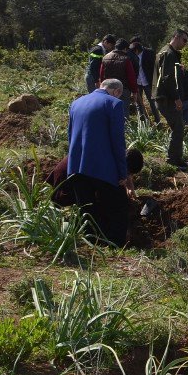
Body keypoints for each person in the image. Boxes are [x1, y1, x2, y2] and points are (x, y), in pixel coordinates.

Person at [66, 79, 133, 246]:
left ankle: (89, 243)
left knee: (86, 208)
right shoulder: (114, 104)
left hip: (77, 166)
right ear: (117, 91)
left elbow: (69, 136)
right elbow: (118, 142)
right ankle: (115, 244)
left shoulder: (76, 103)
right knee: (118, 206)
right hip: (102, 166)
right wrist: (122, 173)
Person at [47, 149, 144, 208]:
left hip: (67, 176)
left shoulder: (116, 153)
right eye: (127, 173)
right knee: (98, 204)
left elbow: (125, 174)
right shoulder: (106, 166)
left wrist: (130, 188)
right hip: (64, 187)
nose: (127, 176)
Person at [153, 29, 188, 170]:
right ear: (177, 37)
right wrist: (176, 98)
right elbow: (167, 79)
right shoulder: (169, 54)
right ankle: (173, 159)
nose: (185, 44)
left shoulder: (165, 52)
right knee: (179, 128)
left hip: (162, 96)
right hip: (166, 98)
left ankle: (175, 158)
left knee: (177, 127)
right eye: (184, 40)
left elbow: (166, 74)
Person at [99, 38, 139, 113]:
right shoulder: (126, 59)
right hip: (122, 90)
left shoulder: (105, 57)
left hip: (108, 90)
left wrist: (102, 88)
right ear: (124, 49)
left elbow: (101, 75)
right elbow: (131, 77)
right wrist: (134, 92)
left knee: (109, 112)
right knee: (123, 113)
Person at [130, 36, 161, 124]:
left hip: (148, 81)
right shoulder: (131, 54)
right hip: (137, 82)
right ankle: (143, 122)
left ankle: (157, 120)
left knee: (152, 101)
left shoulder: (149, 52)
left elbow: (156, 67)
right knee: (138, 103)